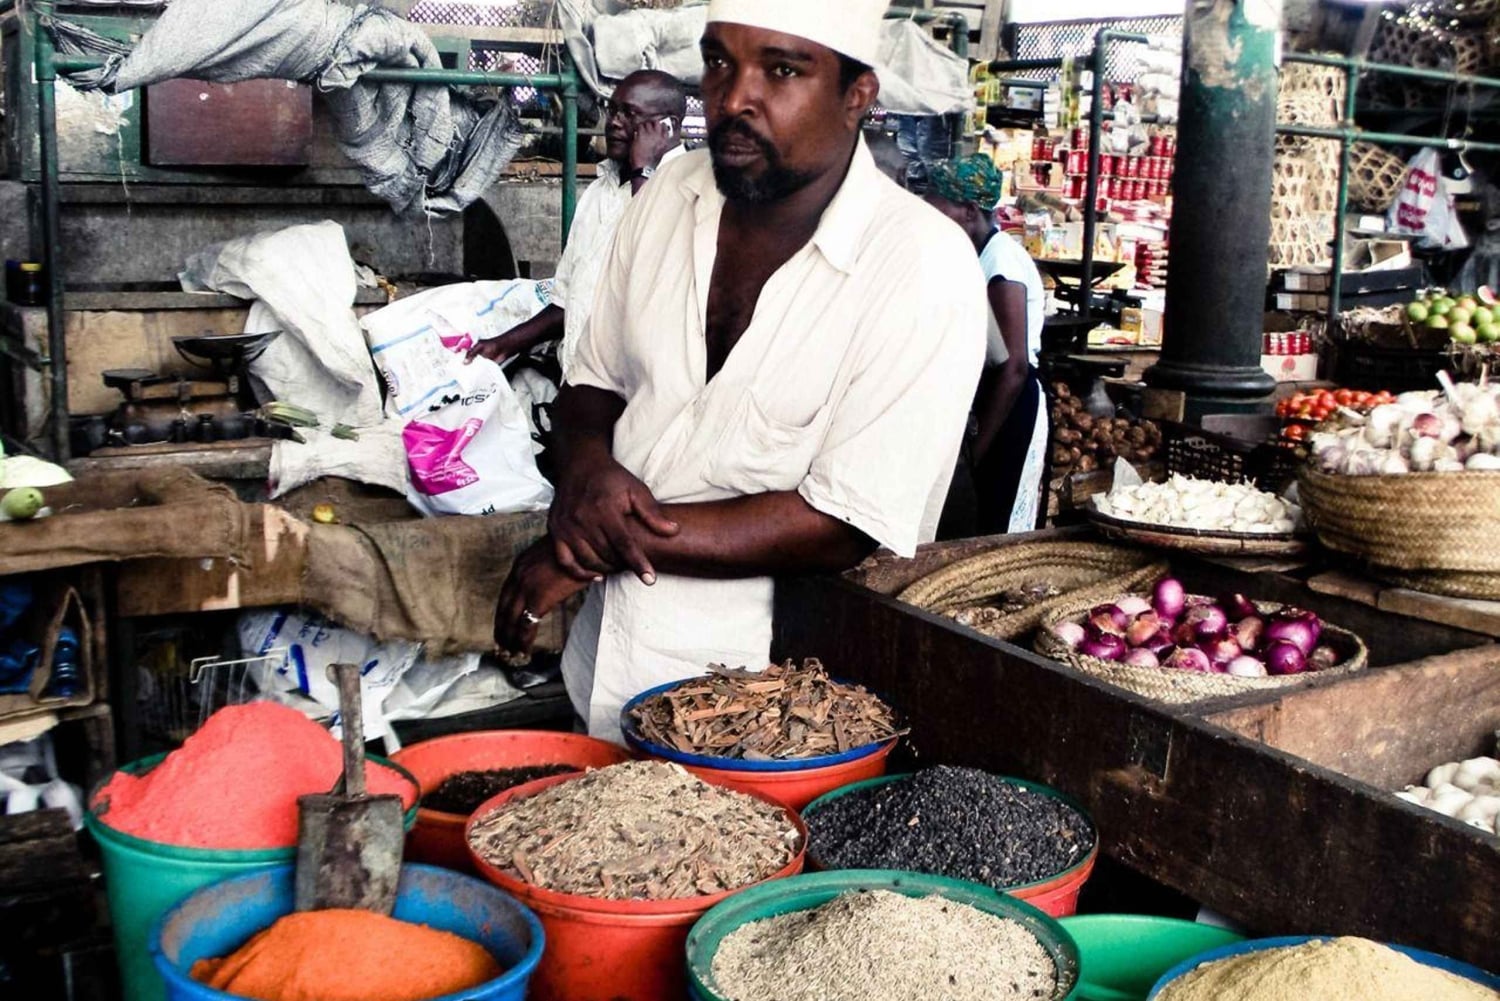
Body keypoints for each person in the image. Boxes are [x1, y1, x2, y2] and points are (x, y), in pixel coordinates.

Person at [493, 0, 988, 741]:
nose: (733, 98)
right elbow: (592, 380)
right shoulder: (665, 195)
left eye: (782, 69)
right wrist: (588, 472)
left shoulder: (921, 263)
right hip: (604, 657)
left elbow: (841, 520)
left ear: (858, 94)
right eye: (720, 61)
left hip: (764, 711)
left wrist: (592, 544)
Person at [466, 70, 688, 377]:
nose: (614, 122)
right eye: (612, 110)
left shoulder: (689, 188)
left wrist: (644, 171)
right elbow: (568, 299)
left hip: (642, 391)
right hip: (582, 382)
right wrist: (504, 344)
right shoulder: (601, 190)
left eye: (630, 114)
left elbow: (651, 272)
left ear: (668, 126)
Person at [924, 155, 1049, 535]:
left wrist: (976, 452)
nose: (929, 212)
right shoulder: (977, 254)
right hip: (995, 397)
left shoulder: (1001, 261)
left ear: (967, 211)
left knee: (997, 519)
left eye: (937, 204)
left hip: (1010, 404)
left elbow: (1013, 366)